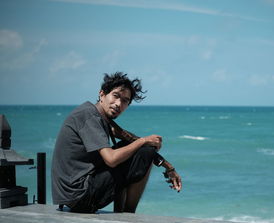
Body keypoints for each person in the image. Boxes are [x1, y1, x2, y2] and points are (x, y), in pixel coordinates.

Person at [51, 72, 182, 213]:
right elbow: (112, 159)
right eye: (116, 96)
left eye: (125, 101)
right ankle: (128, 214)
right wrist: (144, 140)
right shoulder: (89, 117)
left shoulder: (98, 116)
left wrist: (168, 166)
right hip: (80, 196)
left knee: (136, 150)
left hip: (74, 195)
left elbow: (126, 137)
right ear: (102, 94)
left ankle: (121, 213)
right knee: (142, 152)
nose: (118, 104)